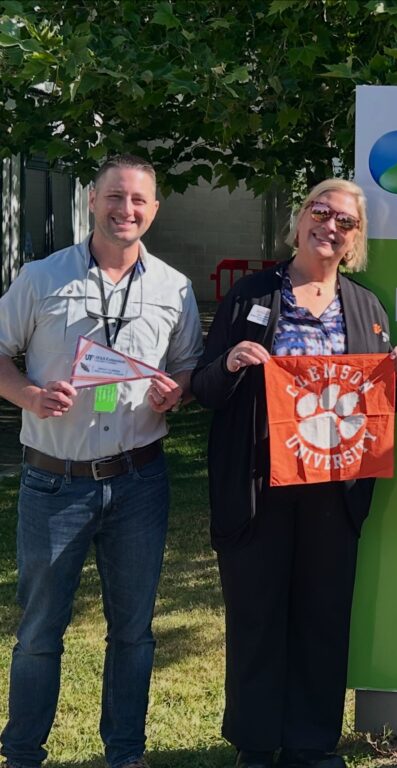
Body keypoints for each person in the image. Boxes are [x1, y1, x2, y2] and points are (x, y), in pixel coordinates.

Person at [191, 179, 397, 768]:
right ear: (299, 221)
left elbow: (378, 408)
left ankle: (313, 743)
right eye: (320, 211)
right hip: (259, 482)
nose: (331, 225)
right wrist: (231, 361)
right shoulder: (250, 294)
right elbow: (204, 388)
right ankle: (257, 742)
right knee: (257, 614)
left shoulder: (366, 306)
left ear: (356, 238)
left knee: (323, 616)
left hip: (333, 486)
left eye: (345, 220)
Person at [0, 155, 204, 768]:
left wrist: (180, 389)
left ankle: (124, 754)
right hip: (53, 481)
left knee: (134, 632)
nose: (127, 210)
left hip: (140, 481)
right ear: (93, 201)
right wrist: (28, 395)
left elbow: (187, 366)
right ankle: (21, 754)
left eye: (140, 200)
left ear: (155, 210)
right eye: (116, 197)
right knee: (38, 634)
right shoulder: (40, 278)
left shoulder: (175, 287)